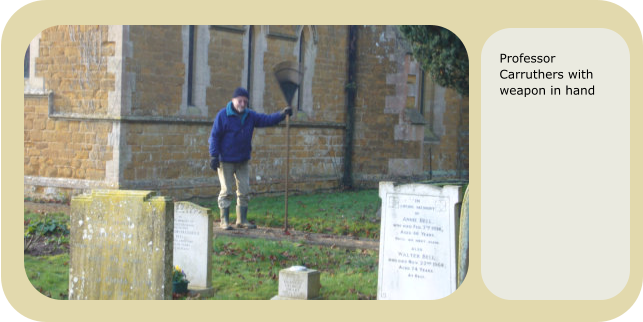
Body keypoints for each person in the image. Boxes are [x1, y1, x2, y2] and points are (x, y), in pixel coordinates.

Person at [209, 87, 292, 230]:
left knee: (244, 190)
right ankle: (225, 221)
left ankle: (242, 220)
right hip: (226, 160)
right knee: (227, 191)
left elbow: (266, 120)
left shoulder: (250, 116)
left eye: (245, 101)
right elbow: (215, 136)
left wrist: (282, 114)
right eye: (239, 100)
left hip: (242, 160)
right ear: (233, 100)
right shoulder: (222, 116)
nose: (242, 104)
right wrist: (214, 155)